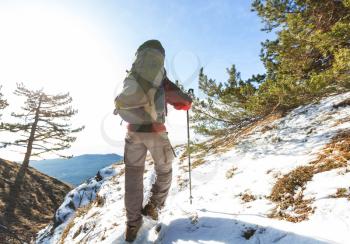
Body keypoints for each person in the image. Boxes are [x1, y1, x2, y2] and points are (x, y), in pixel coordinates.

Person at [116, 40, 192, 242]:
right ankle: (153, 206)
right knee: (164, 169)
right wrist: (188, 100)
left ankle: (132, 225)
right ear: (160, 57)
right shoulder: (160, 76)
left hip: (132, 131)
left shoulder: (132, 74)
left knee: (133, 177)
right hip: (155, 131)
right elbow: (182, 102)